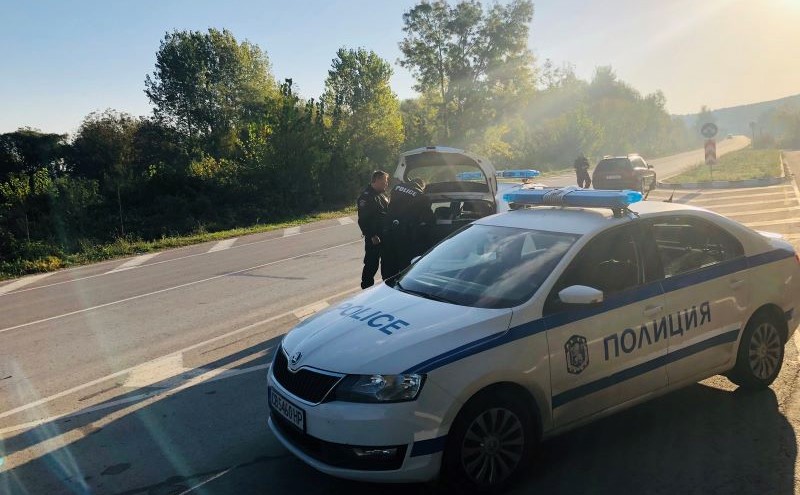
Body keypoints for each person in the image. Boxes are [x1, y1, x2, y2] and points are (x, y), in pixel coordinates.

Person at [383, 177, 433, 278]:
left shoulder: (397, 187)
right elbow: (428, 217)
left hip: (388, 230)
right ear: (422, 186)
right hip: (405, 233)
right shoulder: (421, 196)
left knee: (388, 260)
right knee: (405, 263)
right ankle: (403, 280)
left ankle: (387, 281)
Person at [357, 170, 390, 289]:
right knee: (371, 264)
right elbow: (363, 220)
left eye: (386, 182)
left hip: (385, 235)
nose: (386, 184)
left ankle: (387, 286)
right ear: (376, 180)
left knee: (387, 262)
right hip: (374, 237)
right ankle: (366, 288)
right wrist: (372, 235)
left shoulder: (382, 194)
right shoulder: (366, 197)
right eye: (384, 182)